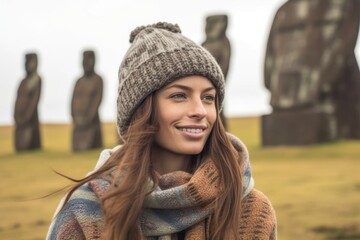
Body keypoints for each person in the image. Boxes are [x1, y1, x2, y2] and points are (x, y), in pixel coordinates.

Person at [47, 22, 276, 240]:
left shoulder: (250, 208)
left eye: (208, 98)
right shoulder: (87, 209)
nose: (200, 111)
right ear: (141, 109)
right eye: (179, 96)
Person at [71, 50, 103, 152]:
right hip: (78, 121)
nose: (86, 63)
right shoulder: (79, 81)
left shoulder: (98, 80)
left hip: (91, 122)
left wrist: (88, 118)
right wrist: (74, 117)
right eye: (84, 59)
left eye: (89, 59)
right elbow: (72, 100)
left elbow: (97, 100)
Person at [14, 53, 42, 151]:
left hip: (29, 119)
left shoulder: (36, 79)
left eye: (30, 61)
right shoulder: (23, 82)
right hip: (20, 119)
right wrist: (16, 115)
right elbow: (17, 98)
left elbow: (34, 100)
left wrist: (26, 117)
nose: (27, 64)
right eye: (26, 62)